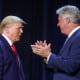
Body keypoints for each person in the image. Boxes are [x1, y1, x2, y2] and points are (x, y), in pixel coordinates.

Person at [31, 5, 80, 80]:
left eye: (59, 21)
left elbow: (71, 66)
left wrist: (49, 55)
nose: (58, 24)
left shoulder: (78, 37)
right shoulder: (72, 37)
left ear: (67, 20)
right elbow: (63, 64)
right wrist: (46, 56)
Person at [0, 15, 26, 80]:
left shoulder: (11, 47)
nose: (21, 31)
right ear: (7, 29)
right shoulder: (1, 46)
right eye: (19, 28)